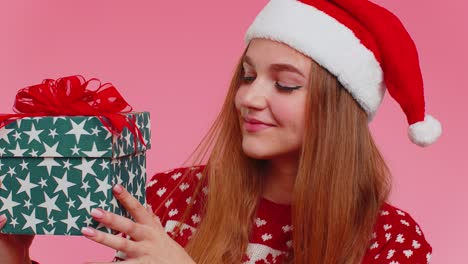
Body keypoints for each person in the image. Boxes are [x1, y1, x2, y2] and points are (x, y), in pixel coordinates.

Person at [0, 0, 442, 263]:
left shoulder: (389, 242)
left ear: (341, 113)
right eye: (248, 76)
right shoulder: (170, 198)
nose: (248, 98)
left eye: (285, 83)